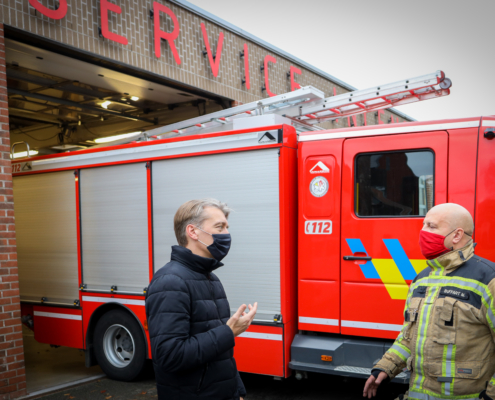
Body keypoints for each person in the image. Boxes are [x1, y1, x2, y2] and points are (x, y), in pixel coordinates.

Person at [364, 203, 495, 400]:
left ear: (457, 235)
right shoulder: (422, 279)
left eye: (431, 226)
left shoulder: (488, 278)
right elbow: (408, 336)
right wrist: (385, 368)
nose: (423, 231)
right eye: (424, 225)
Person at [145, 199, 257, 400]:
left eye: (226, 227)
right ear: (193, 232)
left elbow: (221, 354)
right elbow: (170, 356)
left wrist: (237, 392)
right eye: (219, 227)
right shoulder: (170, 281)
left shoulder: (211, 278)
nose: (226, 234)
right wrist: (228, 332)